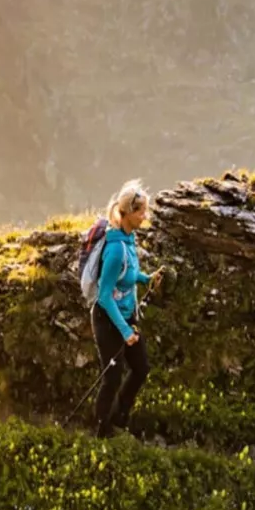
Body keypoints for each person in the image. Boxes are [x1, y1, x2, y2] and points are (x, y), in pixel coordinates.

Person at [90, 181, 163, 436]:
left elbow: (128, 275)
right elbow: (104, 296)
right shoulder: (115, 250)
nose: (145, 216)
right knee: (112, 374)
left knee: (141, 368)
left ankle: (120, 418)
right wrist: (124, 331)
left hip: (125, 316)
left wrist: (147, 278)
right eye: (140, 212)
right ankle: (102, 429)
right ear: (126, 214)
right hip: (108, 319)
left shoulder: (129, 240)